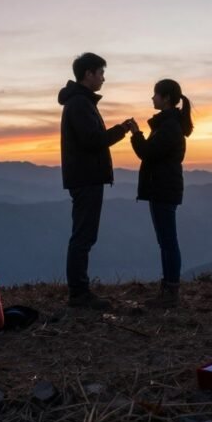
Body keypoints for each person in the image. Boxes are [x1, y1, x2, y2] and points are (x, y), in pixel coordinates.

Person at [58, 52, 133, 310]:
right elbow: (92, 141)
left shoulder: (81, 102)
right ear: (88, 74)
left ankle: (79, 290)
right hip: (86, 177)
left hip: (84, 177)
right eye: (100, 72)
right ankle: (79, 293)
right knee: (83, 236)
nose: (103, 78)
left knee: (83, 235)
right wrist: (121, 130)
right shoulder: (80, 103)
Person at [127, 79, 193, 309]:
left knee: (168, 241)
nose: (152, 98)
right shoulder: (168, 124)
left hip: (164, 189)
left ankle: (170, 291)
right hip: (164, 188)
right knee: (166, 241)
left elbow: (147, 153)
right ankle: (168, 288)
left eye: (155, 94)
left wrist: (136, 133)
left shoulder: (170, 126)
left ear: (165, 98)